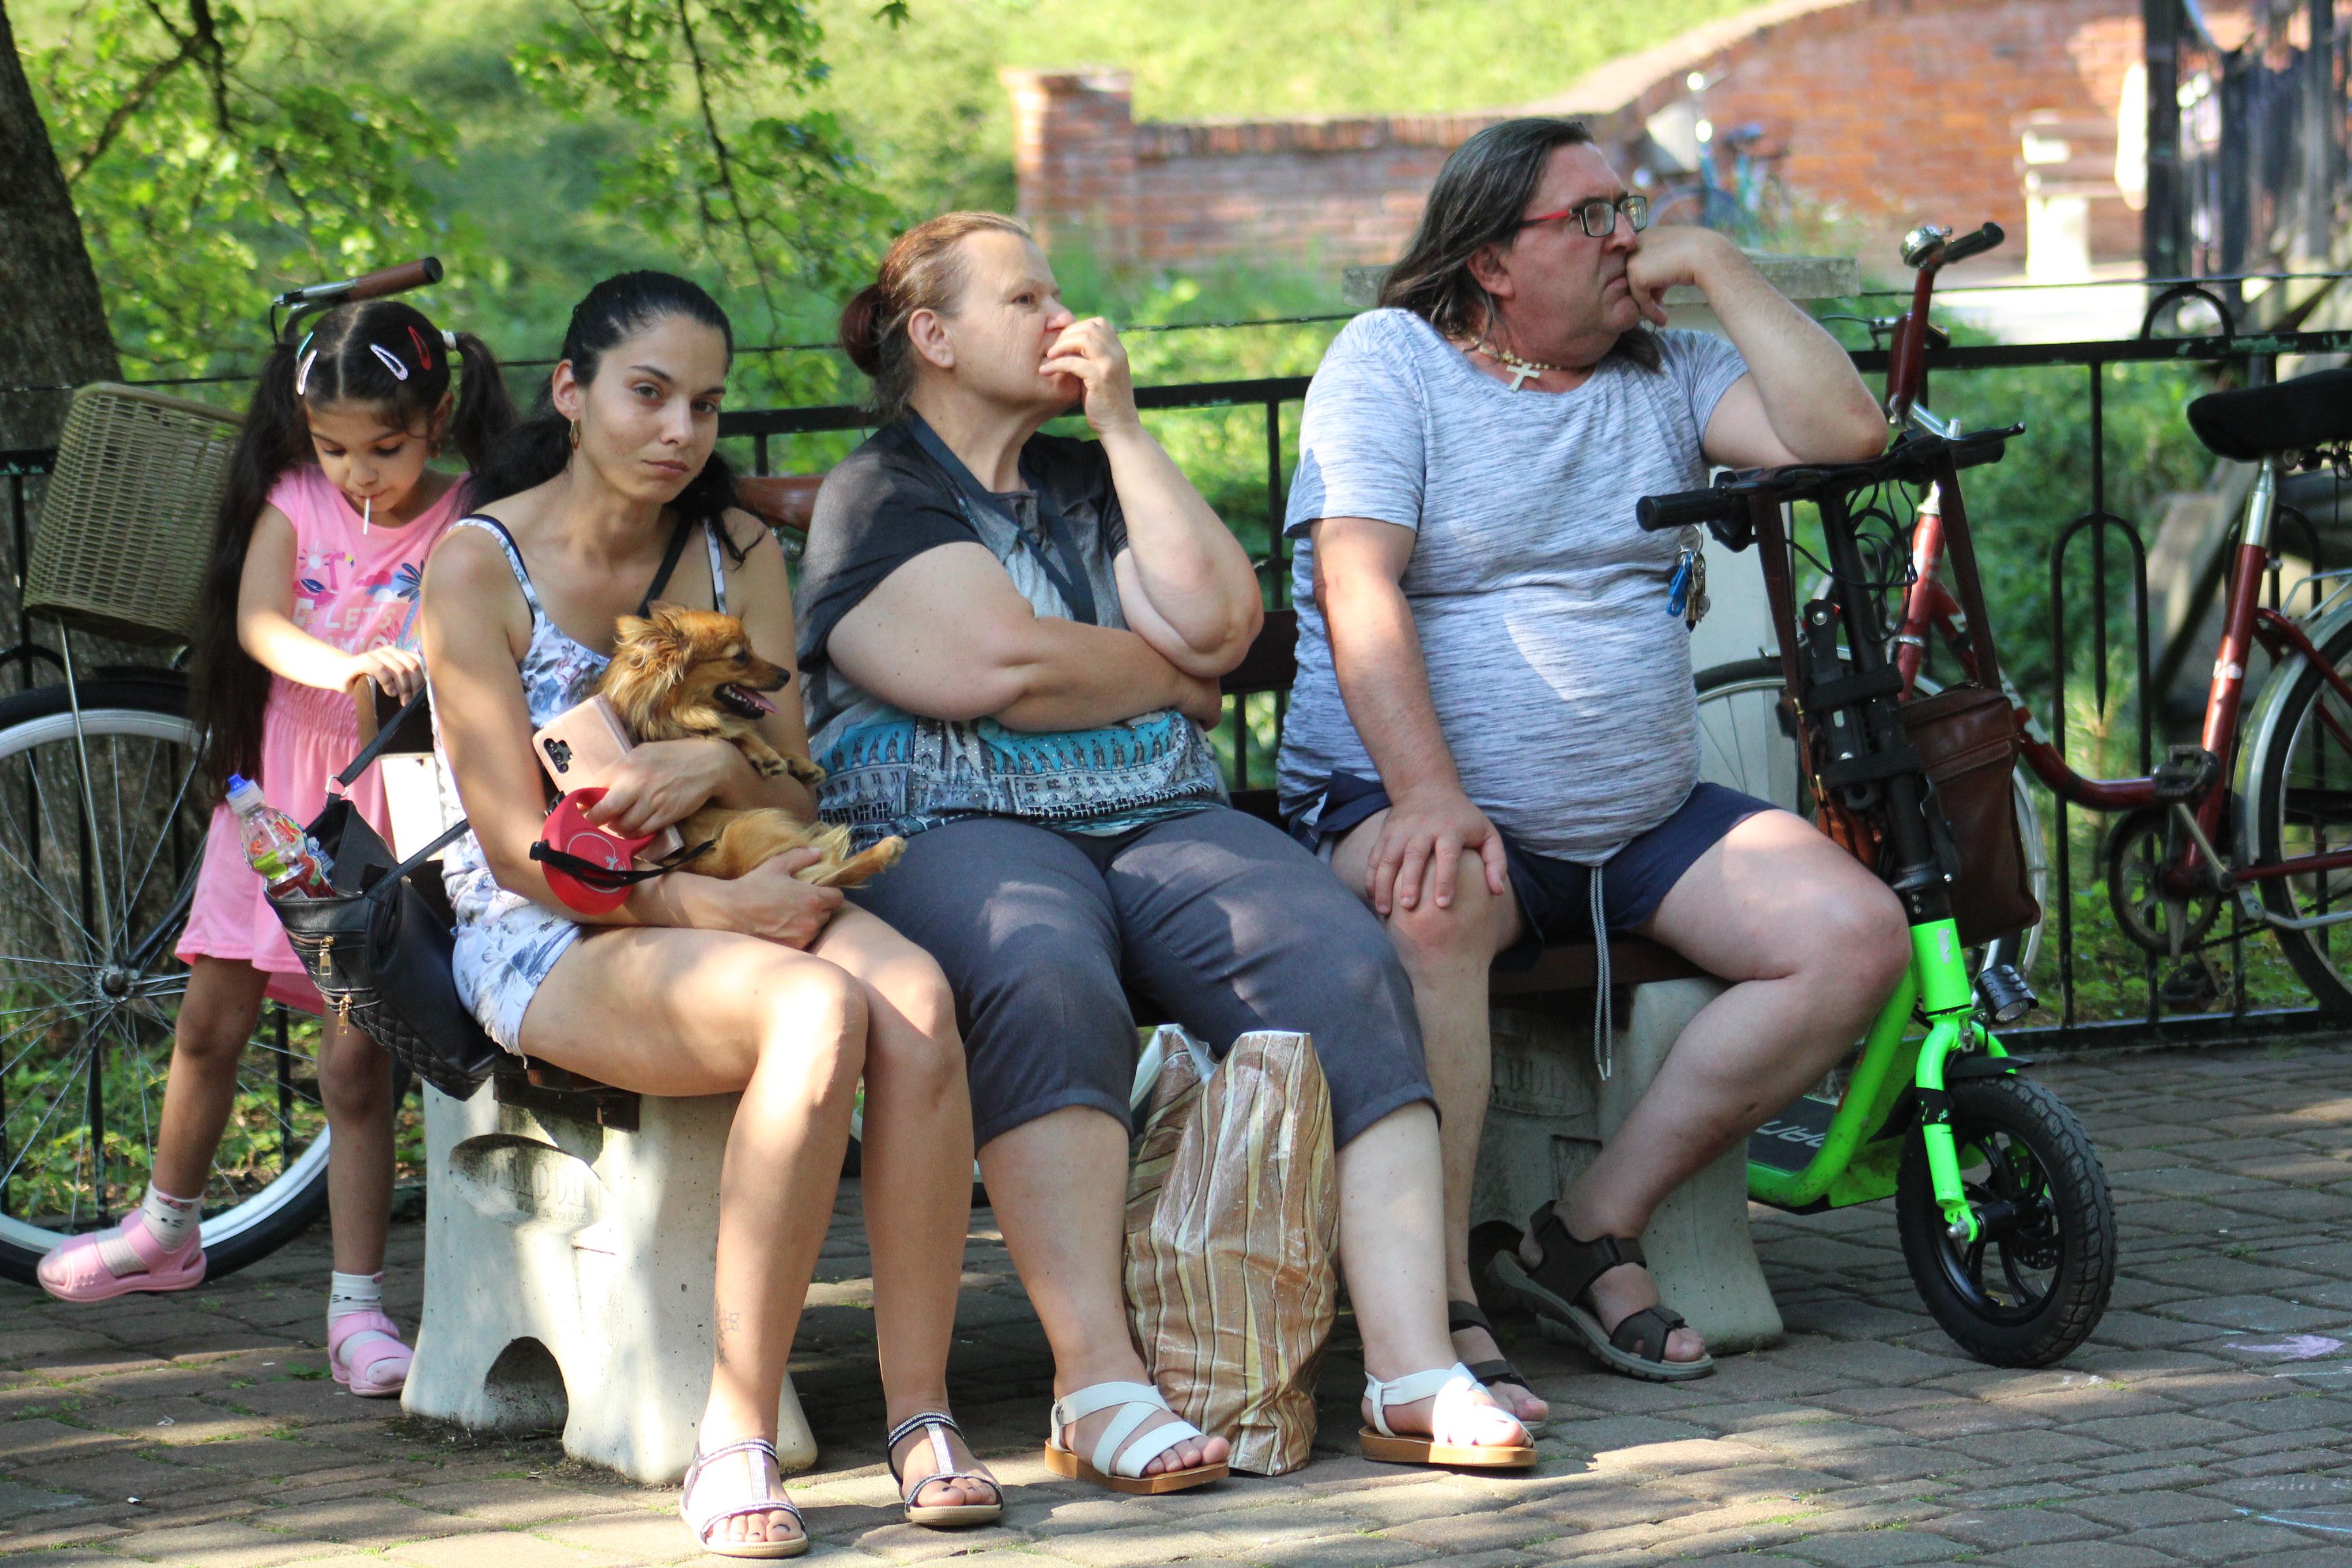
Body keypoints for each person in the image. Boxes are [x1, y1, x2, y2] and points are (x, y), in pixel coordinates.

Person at [798, 212, 1534, 1492]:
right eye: (1026, 299)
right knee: (1039, 972)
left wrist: (1128, 430)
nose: (1064, 319)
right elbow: (996, 667)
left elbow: (1225, 624)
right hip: (956, 826)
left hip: (1160, 819)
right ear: (934, 336)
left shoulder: (1092, 479)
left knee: (1344, 962)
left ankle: (1411, 1369)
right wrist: (1170, 683)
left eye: (1058, 295)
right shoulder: (880, 492)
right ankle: (1098, 1384)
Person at [1280, 117, 1910, 1399]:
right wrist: (1431, 796)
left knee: (1854, 937)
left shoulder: (1669, 367)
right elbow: (1357, 586)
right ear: (1491, 261)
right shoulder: (1391, 360)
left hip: (1643, 818)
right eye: (1589, 218)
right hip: (1415, 801)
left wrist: (1720, 264)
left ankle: (1584, 1231)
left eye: (1630, 209)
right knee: (1435, 899)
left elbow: (1850, 434)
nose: (1626, 237)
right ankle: (1442, 1303)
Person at [422, 272, 996, 1558]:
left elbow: (793, 783)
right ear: (571, 394)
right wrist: (708, 907)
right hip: (555, 928)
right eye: (649, 393)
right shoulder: (478, 566)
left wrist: (709, 764)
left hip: (733, 868)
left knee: (916, 1001)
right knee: (815, 1011)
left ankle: (920, 1413)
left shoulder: (736, 548)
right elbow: (515, 850)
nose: (680, 429)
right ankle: (732, 1434)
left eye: (704, 403)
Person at [36, 299, 514, 1399]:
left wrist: (414, 665)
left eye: (386, 447)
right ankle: (167, 1225)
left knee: (355, 1061)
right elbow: (258, 622)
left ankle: (357, 1306)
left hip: (385, 806)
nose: (359, 474)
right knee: (210, 1021)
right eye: (334, 447)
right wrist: (344, 666)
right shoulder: (293, 498)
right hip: (274, 800)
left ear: (438, 417)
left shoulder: (470, 515)